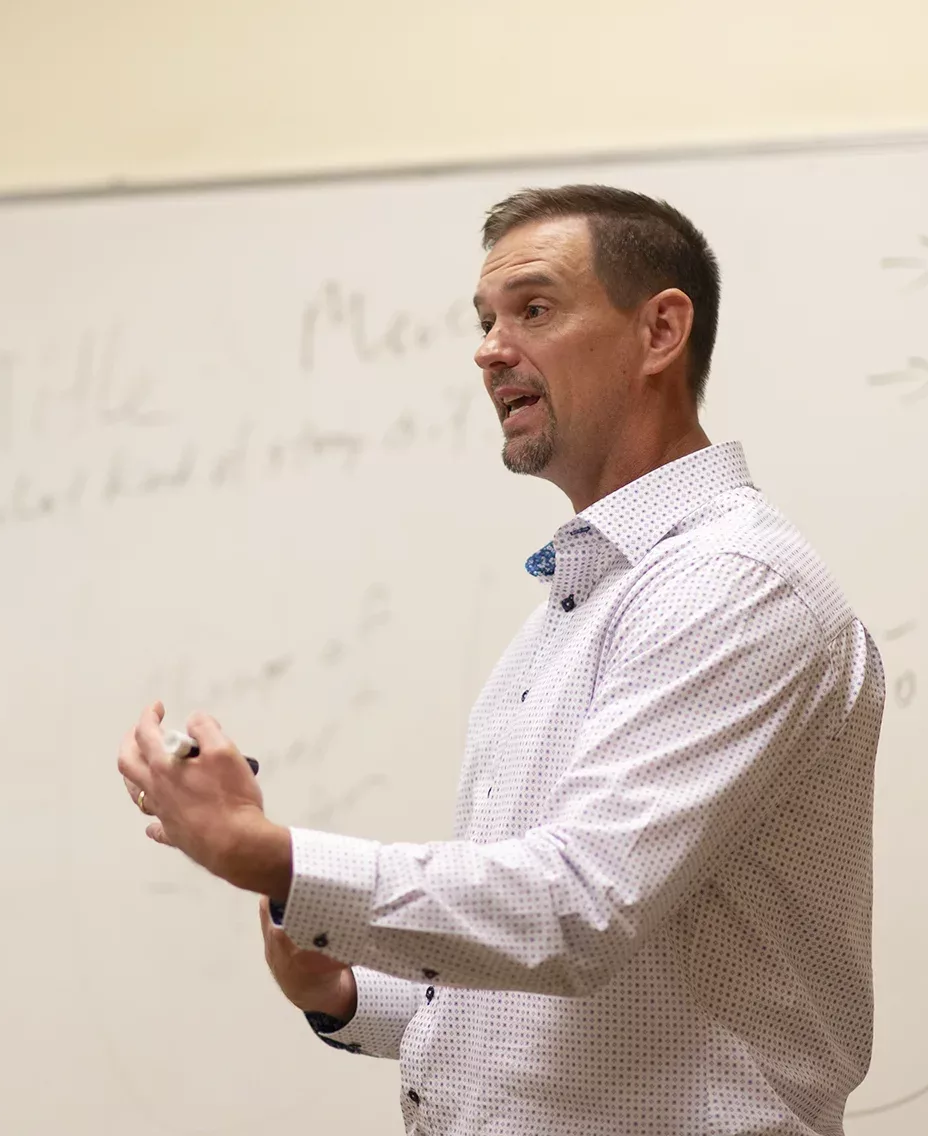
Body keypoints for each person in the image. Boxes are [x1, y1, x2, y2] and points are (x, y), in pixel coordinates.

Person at [117, 184, 885, 1135]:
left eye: (534, 309)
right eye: (484, 320)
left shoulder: (734, 584)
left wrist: (274, 858)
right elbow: (546, 1007)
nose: (488, 349)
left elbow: (573, 913)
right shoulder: (579, 606)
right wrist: (344, 987)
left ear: (660, 332)